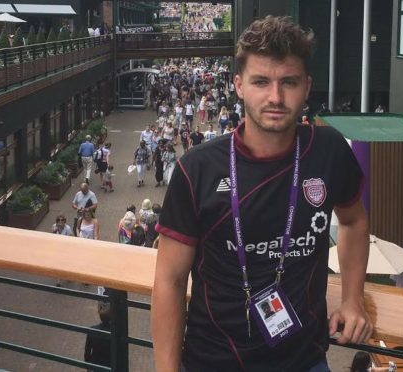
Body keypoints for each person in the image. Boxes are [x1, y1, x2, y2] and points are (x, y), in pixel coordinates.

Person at [152, 16, 371, 371]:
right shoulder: (198, 169)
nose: (276, 97)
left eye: (289, 82)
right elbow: (170, 281)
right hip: (213, 361)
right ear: (238, 85)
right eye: (261, 82)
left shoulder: (328, 150)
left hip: (304, 359)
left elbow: (354, 219)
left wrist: (352, 299)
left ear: (307, 85)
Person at [84, 302, 112, 371]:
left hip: (96, 365)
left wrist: (88, 367)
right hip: (110, 365)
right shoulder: (114, 332)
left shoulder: (92, 330)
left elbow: (87, 352)